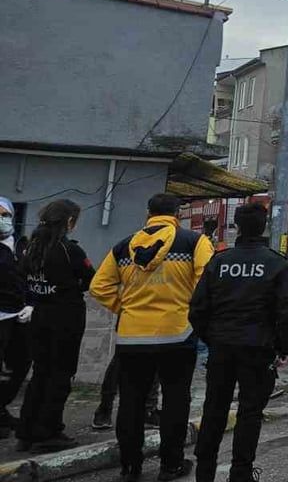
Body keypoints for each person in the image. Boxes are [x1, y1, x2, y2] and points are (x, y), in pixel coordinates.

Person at [91, 194, 214, 482]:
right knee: (175, 401)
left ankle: (130, 466)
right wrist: (189, 310)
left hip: (132, 337)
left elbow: (99, 286)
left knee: (131, 401)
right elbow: (206, 283)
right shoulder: (193, 243)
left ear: (148, 213)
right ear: (177, 213)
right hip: (177, 335)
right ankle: (170, 465)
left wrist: (125, 307)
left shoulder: (124, 246)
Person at [190, 203, 288, 482]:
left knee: (214, 410)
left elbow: (197, 309)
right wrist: (281, 349)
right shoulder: (277, 263)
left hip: (222, 347)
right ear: (264, 227)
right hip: (258, 349)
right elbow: (287, 313)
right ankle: (241, 473)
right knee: (250, 413)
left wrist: (211, 338)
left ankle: (204, 473)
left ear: (237, 226)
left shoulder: (219, 262)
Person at [16, 199, 93, 452]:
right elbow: (90, 280)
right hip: (65, 318)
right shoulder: (69, 250)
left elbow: (24, 279)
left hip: (39, 315)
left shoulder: (30, 247)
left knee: (40, 373)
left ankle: (27, 429)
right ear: (69, 221)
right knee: (60, 375)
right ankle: (48, 430)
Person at [0, 198, 30, 438]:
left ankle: (1, 407)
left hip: (18, 315)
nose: (2, 219)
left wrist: (30, 303)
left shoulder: (21, 244)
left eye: (5, 214)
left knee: (19, 364)